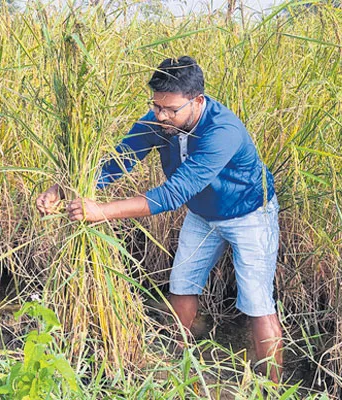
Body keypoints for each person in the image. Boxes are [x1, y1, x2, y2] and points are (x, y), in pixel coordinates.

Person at [36, 56, 283, 382]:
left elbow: (172, 194)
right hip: (202, 213)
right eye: (156, 106)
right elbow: (117, 162)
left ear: (197, 101)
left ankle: (272, 388)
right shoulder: (159, 120)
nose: (161, 116)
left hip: (249, 213)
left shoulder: (223, 131)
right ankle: (178, 366)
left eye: (171, 110)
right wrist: (62, 189)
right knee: (181, 284)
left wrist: (103, 212)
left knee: (256, 302)